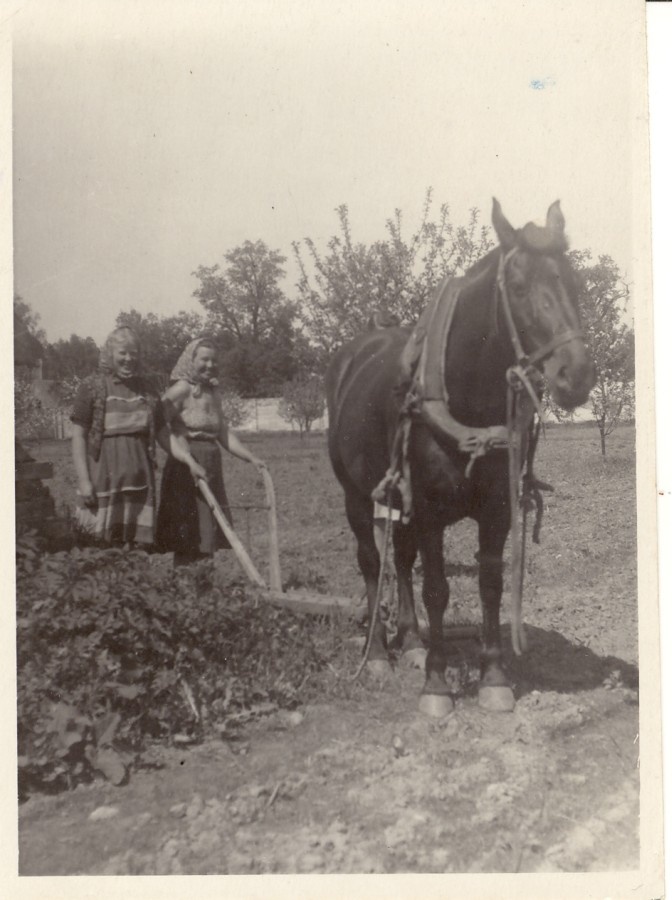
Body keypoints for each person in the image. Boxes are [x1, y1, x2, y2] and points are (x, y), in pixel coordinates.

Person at [70, 327, 201, 548]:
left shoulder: (147, 390)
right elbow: (78, 437)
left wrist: (188, 460)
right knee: (97, 545)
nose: (129, 359)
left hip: (139, 482)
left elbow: (163, 435)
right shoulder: (91, 387)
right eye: (123, 353)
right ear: (110, 353)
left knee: (133, 548)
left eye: (133, 353)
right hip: (103, 480)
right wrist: (84, 480)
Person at [157, 337, 267, 567]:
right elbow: (157, 424)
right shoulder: (181, 389)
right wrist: (182, 449)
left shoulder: (213, 393)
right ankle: (185, 585)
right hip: (185, 468)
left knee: (208, 528)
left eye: (214, 361)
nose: (210, 365)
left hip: (211, 463)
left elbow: (223, 434)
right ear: (191, 360)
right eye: (204, 359)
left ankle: (204, 583)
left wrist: (251, 458)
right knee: (188, 531)